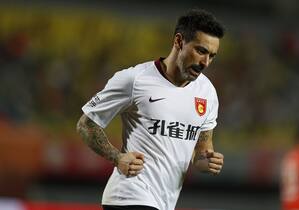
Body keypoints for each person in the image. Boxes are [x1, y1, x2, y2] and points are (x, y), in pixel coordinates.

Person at [77, 9, 225, 210]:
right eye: (201, 51)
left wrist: (207, 162)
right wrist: (117, 157)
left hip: (163, 202)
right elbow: (86, 124)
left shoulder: (207, 92)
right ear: (179, 41)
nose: (205, 63)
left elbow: (201, 151)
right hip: (129, 196)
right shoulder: (135, 79)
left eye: (212, 56)